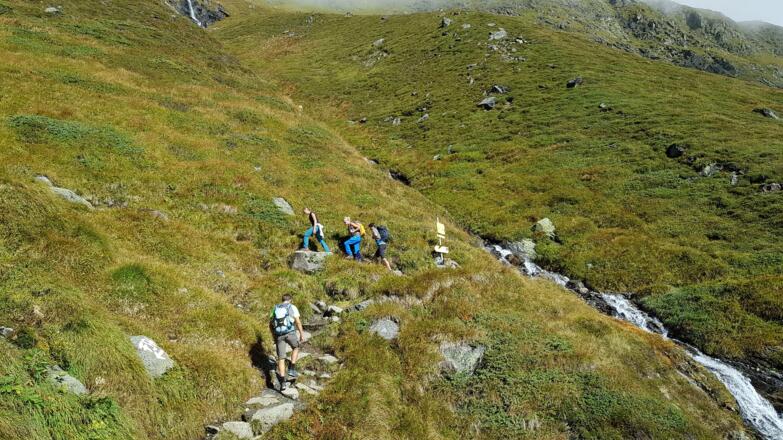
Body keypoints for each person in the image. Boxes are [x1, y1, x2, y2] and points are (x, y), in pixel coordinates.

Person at [269, 294, 305, 391]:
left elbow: (270, 324)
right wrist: (301, 334)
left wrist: (274, 336)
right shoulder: (292, 307)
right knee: (296, 347)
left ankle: (283, 383)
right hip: (290, 333)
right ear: (290, 300)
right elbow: (297, 322)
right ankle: (291, 368)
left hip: (279, 335)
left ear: (282, 300)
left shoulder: (275, 308)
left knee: (281, 358)